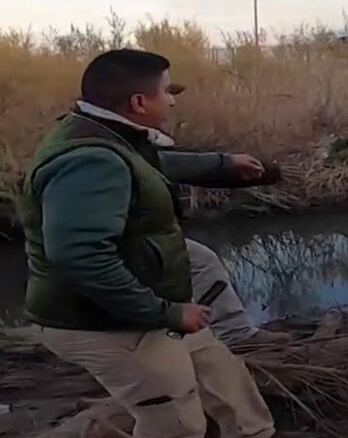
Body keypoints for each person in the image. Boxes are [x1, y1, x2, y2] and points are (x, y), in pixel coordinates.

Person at [20, 49, 275, 438]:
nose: (172, 100)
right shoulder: (90, 161)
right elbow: (80, 256)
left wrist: (224, 165)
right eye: (166, 92)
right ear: (139, 102)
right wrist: (166, 314)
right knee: (176, 422)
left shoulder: (104, 133)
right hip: (105, 320)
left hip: (146, 302)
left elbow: (147, 166)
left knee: (227, 385)